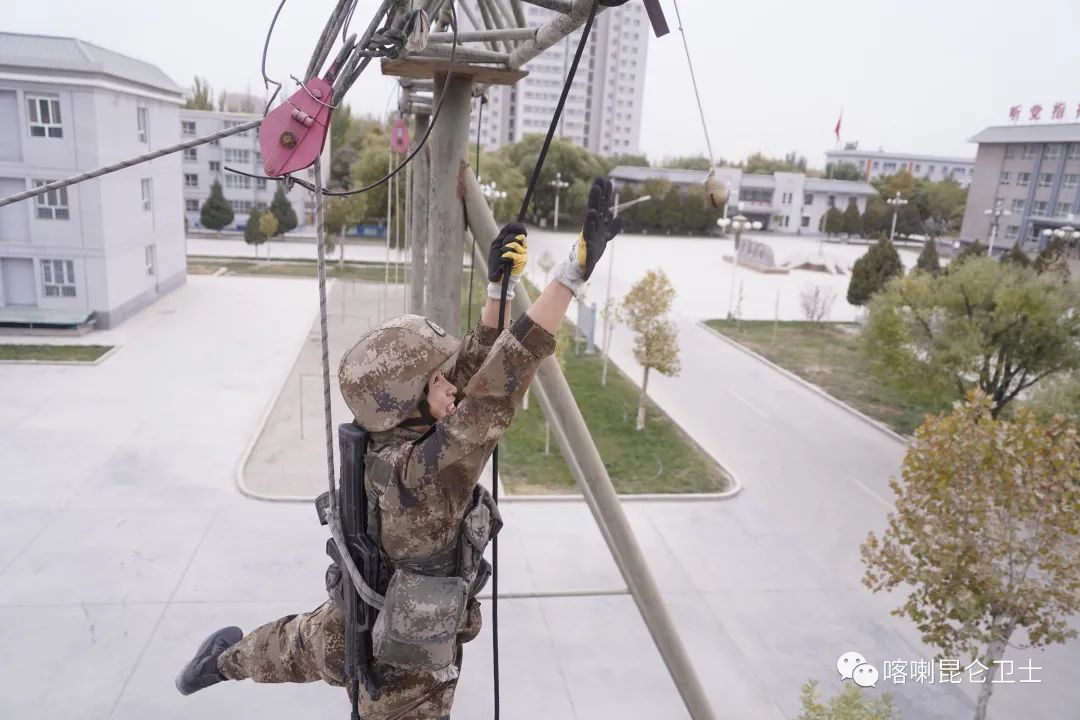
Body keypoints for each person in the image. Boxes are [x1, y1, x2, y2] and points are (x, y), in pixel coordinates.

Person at [175, 178, 623, 719]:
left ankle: (221, 662)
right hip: (403, 683)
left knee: (293, 646)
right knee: (300, 649)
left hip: (349, 618)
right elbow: (492, 394)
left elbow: (464, 379)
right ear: (414, 402)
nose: (448, 382)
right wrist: (568, 278)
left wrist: (499, 292)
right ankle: (224, 661)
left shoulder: (388, 437)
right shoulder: (424, 483)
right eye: (436, 378)